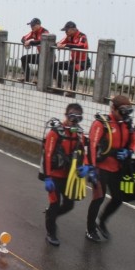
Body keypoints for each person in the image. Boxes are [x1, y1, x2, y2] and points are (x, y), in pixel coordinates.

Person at [86, 95, 135, 242]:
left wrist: (129, 151)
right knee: (98, 198)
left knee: (119, 198)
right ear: (113, 109)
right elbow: (92, 145)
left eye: (127, 111)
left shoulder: (127, 123)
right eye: (121, 111)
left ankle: (101, 222)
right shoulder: (102, 123)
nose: (124, 114)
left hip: (117, 168)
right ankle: (90, 230)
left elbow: (134, 141)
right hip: (100, 168)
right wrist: (91, 168)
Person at [42, 103, 89, 246]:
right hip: (54, 176)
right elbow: (48, 155)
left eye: (78, 118)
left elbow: (83, 153)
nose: (74, 121)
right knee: (55, 203)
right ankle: (51, 232)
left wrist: (86, 166)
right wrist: (47, 177)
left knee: (69, 205)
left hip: (69, 176)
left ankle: (51, 215)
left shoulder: (79, 133)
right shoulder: (55, 133)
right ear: (66, 115)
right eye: (71, 117)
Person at [54, 21, 90, 94]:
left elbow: (81, 45)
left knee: (72, 68)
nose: (65, 32)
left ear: (73, 29)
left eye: (66, 30)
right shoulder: (69, 36)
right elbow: (60, 42)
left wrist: (67, 45)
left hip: (83, 62)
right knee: (54, 65)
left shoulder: (82, 36)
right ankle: (60, 86)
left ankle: (72, 90)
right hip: (73, 61)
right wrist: (58, 44)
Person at [20, 18, 50, 83]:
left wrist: (30, 42)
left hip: (48, 55)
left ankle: (38, 79)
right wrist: (25, 42)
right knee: (23, 58)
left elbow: (41, 41)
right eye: (31, 25)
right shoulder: (33, 32)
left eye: (33, 25)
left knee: (40, 59)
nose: (31, 27)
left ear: (38, 25)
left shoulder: (45, 32)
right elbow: (23, 38)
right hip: (40, 54)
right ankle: (27, 78)